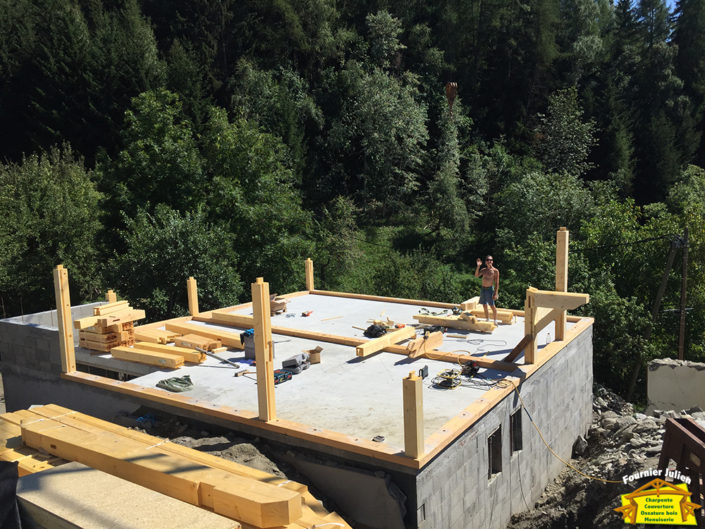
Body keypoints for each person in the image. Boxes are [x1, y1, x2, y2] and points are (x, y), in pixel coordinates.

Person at [475, 255, 499, 324]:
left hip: (490, 289)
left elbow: (497, 283)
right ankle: (487, 319)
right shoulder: (483, 270)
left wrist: (496, 293)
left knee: (492, 305)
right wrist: (478, 266)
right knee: (484, 305)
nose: (489, 261)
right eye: (488, 260)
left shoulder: (495, 271)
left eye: (491, 260)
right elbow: (476, 276)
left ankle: (495, 320)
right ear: (485, 262)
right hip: (483, 289)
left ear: (492, 261)